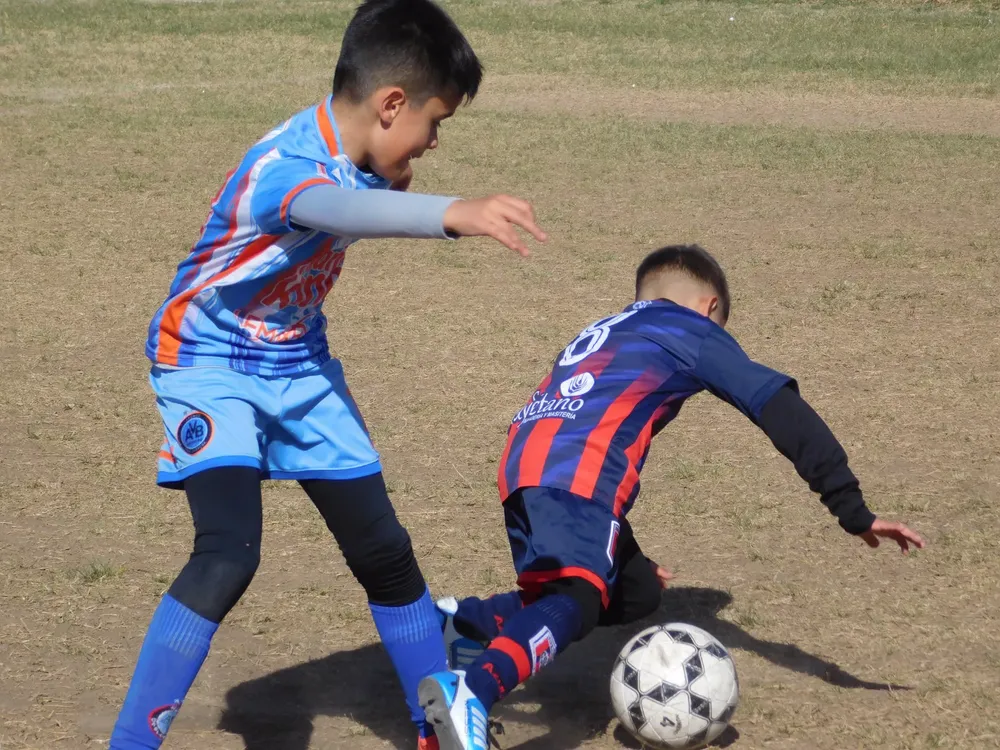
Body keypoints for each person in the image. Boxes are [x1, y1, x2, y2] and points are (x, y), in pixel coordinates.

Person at [108, 1, 545, 748]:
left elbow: (360, 194)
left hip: (298, 364)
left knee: (383, 551)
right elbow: (337, 209)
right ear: (391, 104)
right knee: (227, 554)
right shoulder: (289, 171)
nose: (434, 142)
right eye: (434, 123)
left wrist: (399, 178)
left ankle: (436, 726)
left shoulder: (355, 152)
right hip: (208, 363)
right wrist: (452, 213)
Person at [418, 244, 925, 750]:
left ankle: (461, 624)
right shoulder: (691, 330)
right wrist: (852, 510)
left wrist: (626, 555)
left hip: (526, 468)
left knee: (634, 589)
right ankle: (473, 691)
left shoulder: (609, 329)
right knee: (575, 597)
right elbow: (779, 408)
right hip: (577, 476)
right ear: (708, 308)